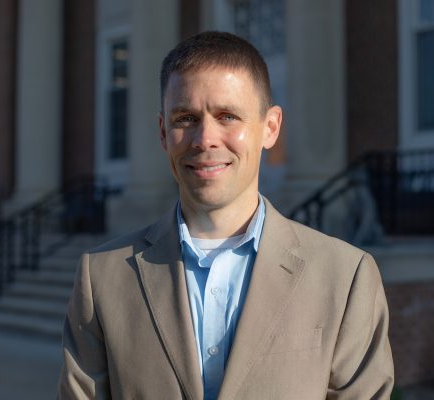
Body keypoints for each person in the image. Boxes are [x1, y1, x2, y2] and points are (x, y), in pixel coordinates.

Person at [58, 31, 394, 400]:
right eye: (186, 118)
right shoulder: (102, 277)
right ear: (162, 132)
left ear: (270, 128)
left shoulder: (346, 278)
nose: (205, 139)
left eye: (228, 116)